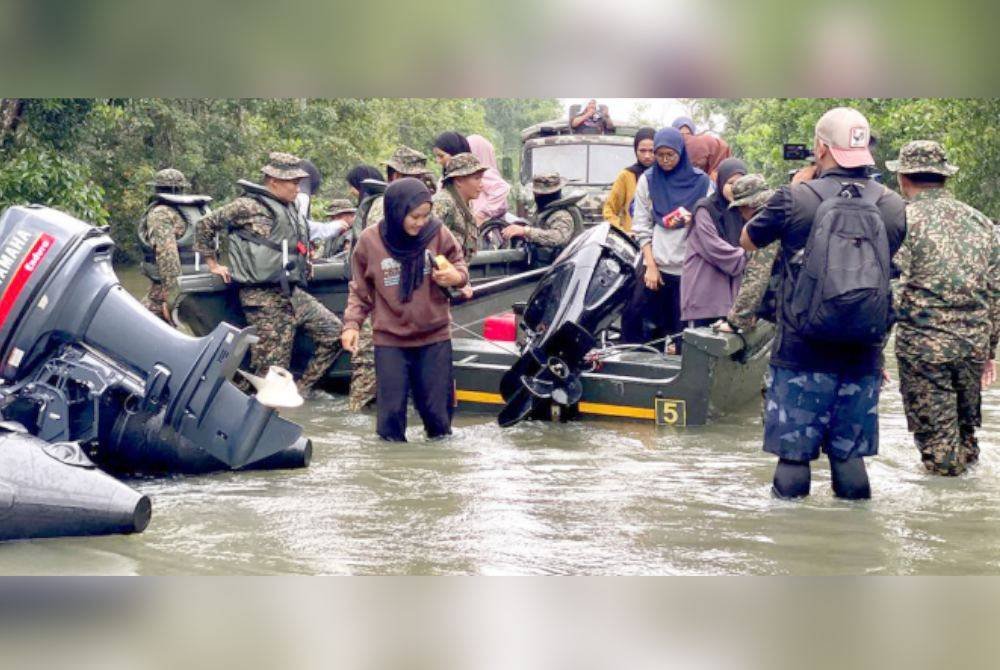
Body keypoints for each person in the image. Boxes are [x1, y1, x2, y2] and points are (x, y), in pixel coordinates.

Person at [739, 107, 906, 500]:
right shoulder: (892, 205)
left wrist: (797, 188)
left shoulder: (796, 198)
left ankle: (792, 549)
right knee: (850, 458)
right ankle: (855, 545)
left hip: (801, 350)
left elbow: (747, 240)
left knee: (793, 458)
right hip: (863, 351)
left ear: (820, 147)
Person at [887, 140, 1000, 476]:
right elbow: (995, 292)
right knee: (966, 436)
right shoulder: (981, 223)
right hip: (972, 347)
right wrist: (990, 350)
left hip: (923, 352)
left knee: (937, 451)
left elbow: (894, 287)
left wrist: (874, 348)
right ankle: (969, 519)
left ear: (903, 179)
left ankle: (943, 518)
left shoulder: (902, 221)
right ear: (945, 177)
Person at [195, 152, 343, 393]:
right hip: (262, 299)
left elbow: (290, 244)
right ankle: (250, 403)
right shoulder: (247, 206)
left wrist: (304, 262)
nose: (298, 188)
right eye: (293, 183)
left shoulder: (291, 207)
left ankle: (301, 391)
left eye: (299, 182)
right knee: (270, 372)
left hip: (291, 293)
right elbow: (205, 225)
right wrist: (213, 263)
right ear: (273, 181)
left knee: (334, 333)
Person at [342, 178, 469, 442]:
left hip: (434, 336)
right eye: (414, 217)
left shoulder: (437, 233)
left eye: (425, 215)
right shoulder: (370, 241)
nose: (420, 223)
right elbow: (360, 290)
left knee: (438, 418)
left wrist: (455, 278)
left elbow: (460, 266)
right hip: (390, 339)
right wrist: (352, 325)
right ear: (397, 211)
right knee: (389, 420)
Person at [621, 127, 711, 347]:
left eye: (670, 155)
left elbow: (713, 223)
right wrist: (650, 265)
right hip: (658, 267)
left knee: (685, 336)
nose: (664, 160)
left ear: (681, 153)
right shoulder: (649, 180)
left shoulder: (702, 182)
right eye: (659, 155)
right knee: (639, 325)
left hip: (690, 269)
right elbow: (641, 225)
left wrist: (695, 220)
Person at [681, 163, 763, 328]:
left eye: (740, 183)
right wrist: (749, 256)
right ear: (720, 183)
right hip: (707, 291)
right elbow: (714, 248)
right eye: (730, 183)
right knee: (702, 346)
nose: (735, 188)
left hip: (735, 296)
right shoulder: (705, 209)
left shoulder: (746, 210)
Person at [137, 168, 211, 324]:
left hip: (175, 288)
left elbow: (167, 256)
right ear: (182, 188)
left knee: (138, 324)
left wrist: (170, 298)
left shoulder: (161, 213)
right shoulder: (201, 210)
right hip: (203, 283)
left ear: (157, 188)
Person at [501, 172, 579, 250]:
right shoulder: (543, 210)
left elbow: (559, 237)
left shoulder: (561, 214)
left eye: (538, 194)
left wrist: (526, 231)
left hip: (559, 261)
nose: (536, 196)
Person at [432, 152, 487, 263]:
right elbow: (430, 247)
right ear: (458, 181)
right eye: (476, 178)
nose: (482, 184)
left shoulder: (464, 204)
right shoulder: (443, 203)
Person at [363, 146, 432, 230]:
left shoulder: (418, 204)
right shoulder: (385, 204)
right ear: (396, 176)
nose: (420, 183)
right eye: (416, 178)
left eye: (421, 178)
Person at [603, 127, 656, 232]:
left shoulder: (665, 175)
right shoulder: (627, 175)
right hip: (633, 240)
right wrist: (623, 232)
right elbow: (609, 211)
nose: (647, 156)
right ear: (635, 150)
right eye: (642, 151)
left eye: (652, 151)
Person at [466, 134, 511, 226]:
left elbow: (503, 188)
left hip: (483, 225)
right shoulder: (484, 172)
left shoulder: (484, 172)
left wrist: (482, 213)